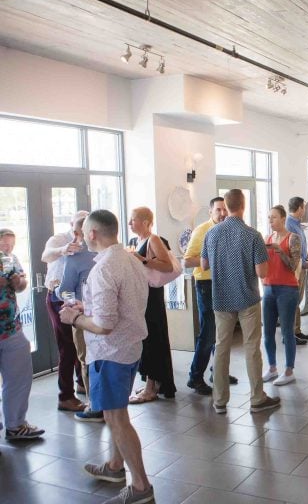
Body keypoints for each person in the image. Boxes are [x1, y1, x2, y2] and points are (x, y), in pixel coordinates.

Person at [58, 210, 153, 503]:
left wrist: (73, 319)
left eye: (84, 230)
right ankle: (114, 467)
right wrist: (88, 308)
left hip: (111, 352)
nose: (82, 236)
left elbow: (104, 325)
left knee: (116, 417)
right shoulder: (130, 258)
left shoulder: (103, 269)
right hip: (129, 347)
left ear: (93, 234)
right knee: (116, 413)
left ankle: (141, 487)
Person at [202, 189, 280, 414]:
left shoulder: (212, 233)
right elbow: (262, 271)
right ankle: (257, 398)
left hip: (221, 298)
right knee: (251, 348)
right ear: (243, 206)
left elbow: (204, 264)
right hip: (247, 298)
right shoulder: (252, 235)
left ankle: (219, 400)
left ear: (225, 206)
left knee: (221, 347)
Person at [183, 197, 237, 396]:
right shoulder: (201, 230)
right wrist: (213, 259)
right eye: (218, 210)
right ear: (210, 211)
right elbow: (187, 261)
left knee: (221, 332)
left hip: (224, 283)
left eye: (225, 210)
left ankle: (219, 371)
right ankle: (195, 376)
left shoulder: (229, 230)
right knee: (208, 332)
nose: (222, 213)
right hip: (206, 285)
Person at [40, 210, 89, 412]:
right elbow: (45, 255)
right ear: (72, 225)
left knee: (80, 342)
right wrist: (63, 249)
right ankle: (65, 396)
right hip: (57, 296)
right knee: (67, 346)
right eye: (78, 229)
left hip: (79, 299)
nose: (81, 235)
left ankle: (81, 382)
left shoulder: (89, 241)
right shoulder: (59, 238)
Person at [127, 207, 177, 403]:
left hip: (152, 298)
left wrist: (143, 260)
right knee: (145, 339)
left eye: (133, 220)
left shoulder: (154, 240)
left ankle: (152, 386)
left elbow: (168, 265)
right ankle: (151, 381)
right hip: (141, 296)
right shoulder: (135, 241)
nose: (130, 224)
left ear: (146, 222)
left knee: (153, 339)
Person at [0, 228, 45, 441]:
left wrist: (18, 283)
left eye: (10, 244)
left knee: (18, 377)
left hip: (11, 328)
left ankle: (16, 425)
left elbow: (22, 285)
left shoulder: (11, 260)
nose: (7, 247)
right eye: (3, 243)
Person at [56, 216, 100, 422]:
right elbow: (63, 291)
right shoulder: (75, 257)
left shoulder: (110, 254)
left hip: (108, 317)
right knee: (87, 361)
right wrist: (75, 304)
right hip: (83, 319)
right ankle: (95, 405)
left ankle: (109, 404)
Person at [262, 205, 301, 386]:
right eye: (269, 217)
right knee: (268, 332)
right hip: (268, 288)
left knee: (287, 332)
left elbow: (293, 266)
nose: (271, 221)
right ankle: (272, 367)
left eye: (274, 217)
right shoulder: (267, 238)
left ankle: (289, 370)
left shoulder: (293, 238)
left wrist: (279, 251)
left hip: (287, 289)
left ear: (283, 219)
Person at [286, 197, 308, 345]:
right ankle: (290, 334)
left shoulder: (297, 224)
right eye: (304, 207)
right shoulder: (289, 225)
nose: (305, 210)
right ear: (299, 208)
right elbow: (291, 251)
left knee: (298, 300)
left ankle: (296, 330)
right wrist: (303, 263)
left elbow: (302, 246)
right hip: (296, 268)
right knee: (293, 301)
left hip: (302, 266)